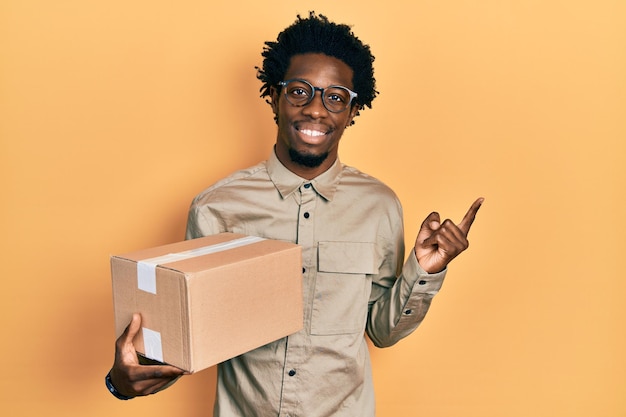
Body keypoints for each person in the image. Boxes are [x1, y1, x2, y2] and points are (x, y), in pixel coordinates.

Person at [106, 11, 484, 416]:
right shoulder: (216, 207)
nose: (317, 110)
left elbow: (380, 331)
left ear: (353, 112)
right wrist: (121, 382)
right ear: (273, 96)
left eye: (335, 97)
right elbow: (191, 336)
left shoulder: (380, 207)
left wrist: (424, 272)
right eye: (300, 91)